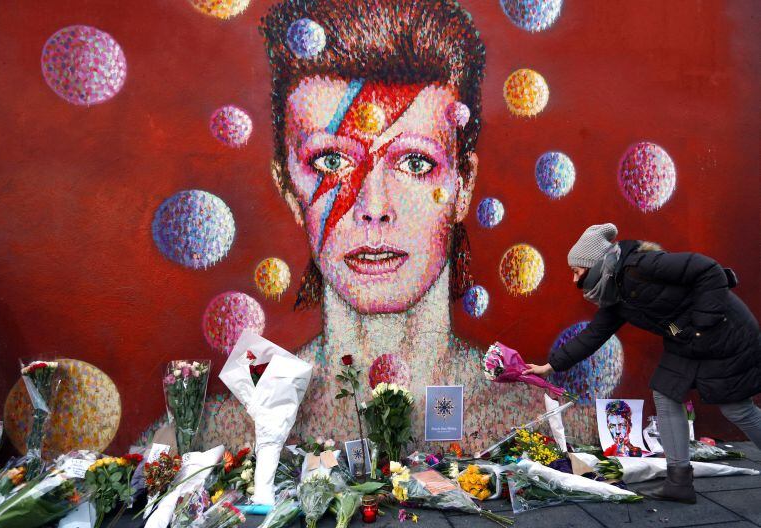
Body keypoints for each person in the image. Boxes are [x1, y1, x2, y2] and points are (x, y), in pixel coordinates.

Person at [186, 0, 597, 454]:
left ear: (463, 186)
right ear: (287, 189)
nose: (374, 206)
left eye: (416, 162)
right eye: (331, 161)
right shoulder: (228, 432)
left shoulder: (534, 422)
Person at [526, 223, 761, 504]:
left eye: (576, 271)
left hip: (724, 331)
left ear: (594, 264)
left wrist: (700, 325)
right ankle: (679, 482)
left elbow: (709, 270)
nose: (573, 279)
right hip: (687, 338)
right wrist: (550, 366)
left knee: (737, 409)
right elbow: (593, 334)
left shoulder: (642, 265)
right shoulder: (616, 293)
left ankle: (679, 480)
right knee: (665, 393)